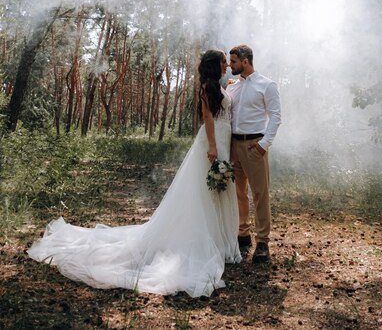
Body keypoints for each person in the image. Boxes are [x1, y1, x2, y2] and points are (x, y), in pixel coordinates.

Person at [27, 50, 241, 298]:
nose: (227, 65)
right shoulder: (207, 87)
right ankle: (205, 240)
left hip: (225, 140)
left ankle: (220, 241)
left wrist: (233, 86)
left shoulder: (218, 86)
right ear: (216, 65)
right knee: (205, 190)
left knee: (218, 189)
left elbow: (224, 106)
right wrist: (213, 146)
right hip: (213, 141)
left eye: (229, 61)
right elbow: (208, 117)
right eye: (224, 62)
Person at [227, 44, 282, 264]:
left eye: (233, 62)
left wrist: (264, 145)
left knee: (260, 194)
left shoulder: (266, 85)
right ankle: (243, 233)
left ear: (245, 61)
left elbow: (276, 117)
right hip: (234, 145)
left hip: (254, 145)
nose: (230, 65)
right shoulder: (233, 87)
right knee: (238, 193)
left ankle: (262, 242)